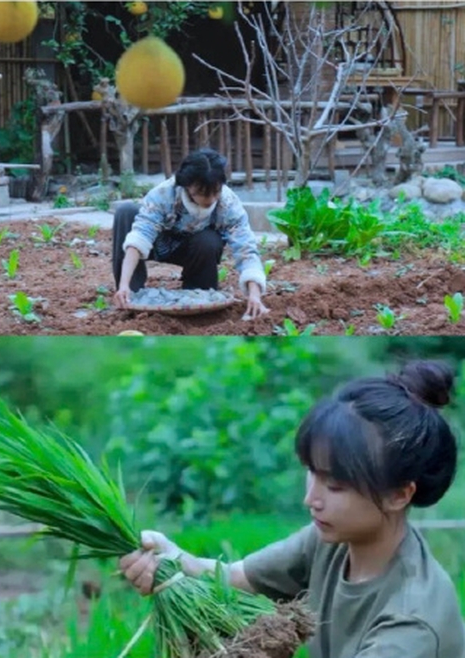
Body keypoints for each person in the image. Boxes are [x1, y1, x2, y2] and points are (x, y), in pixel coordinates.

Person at [120, 361, 465, 658]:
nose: (311, 498)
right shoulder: (330, 541)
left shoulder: (409, 626)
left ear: (398, 495)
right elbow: (237, 578)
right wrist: (174, 562)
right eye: (311, 472)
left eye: (335, 486)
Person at [112, 148, 269, 320]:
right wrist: (124, 284)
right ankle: (129, 295)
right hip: (158, 243)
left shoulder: (229, 204)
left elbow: (246, 248)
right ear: (187, 186)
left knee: (209, 240)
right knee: (126, 212)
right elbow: (140, 237)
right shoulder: (163, 194)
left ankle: (198, 296)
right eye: (202, 193)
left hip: (195, 249)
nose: (209, 200)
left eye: (215, 192)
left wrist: (254, 295)